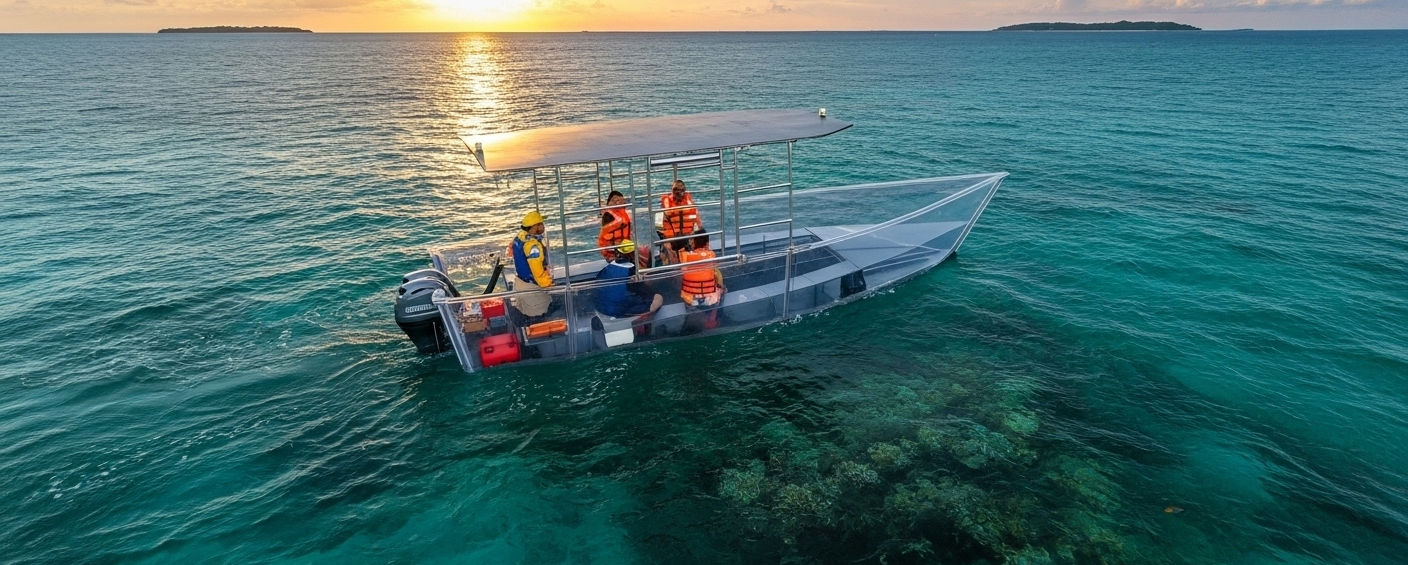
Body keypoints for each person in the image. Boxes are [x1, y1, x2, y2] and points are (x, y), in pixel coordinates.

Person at [595, 239, 662, 319]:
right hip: (621, 311)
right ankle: (647, 320)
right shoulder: (631, 271)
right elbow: (645, 292)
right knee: (658, 297)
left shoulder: (606, 268)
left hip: (602, 308)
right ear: (632, 254)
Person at [508, 210, 553, 317]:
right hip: (532, 287)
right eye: (541, 224)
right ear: (534, 226)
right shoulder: (533, 246)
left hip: (521, 283)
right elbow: (536, 269)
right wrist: (548, 285)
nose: (543, 226)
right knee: (541, 313)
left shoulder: (519, 238)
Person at [678, 231, 725, 308]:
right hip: (710, 299)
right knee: (717, 274)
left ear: (693, 242)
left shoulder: (685, 255)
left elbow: (683, 270)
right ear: (707, 243)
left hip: (690, 299)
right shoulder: (711, 254)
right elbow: (714, 270)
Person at [658, 179, 702, 257]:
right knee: (669, 254)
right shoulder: (666, 203)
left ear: (684, 191)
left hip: (688, 236)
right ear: (672, 191)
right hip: (671, 238)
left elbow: (697, 222)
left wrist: (695, 236)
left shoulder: (689, 203)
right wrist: (665, 240)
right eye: (676, 190)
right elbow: (659, 225)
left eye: (681, 190)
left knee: (692, 253)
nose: (679, 193)